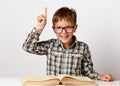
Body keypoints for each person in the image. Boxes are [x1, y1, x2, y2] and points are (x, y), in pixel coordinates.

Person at [23, 7, 115, 81]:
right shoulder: (50, 45)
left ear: (75, 28)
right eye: (59, 27)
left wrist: (100, 77)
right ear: (54, 29)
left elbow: (88, 72)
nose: (63, 32)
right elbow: (27, 47)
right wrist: (39, 28)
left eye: (68, 27)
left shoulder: (83, 47)